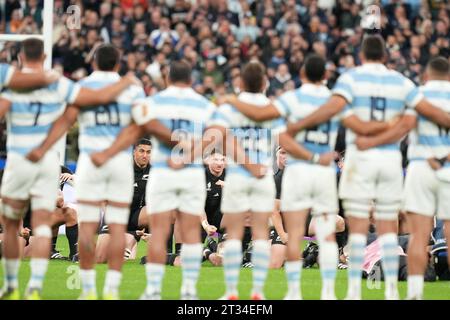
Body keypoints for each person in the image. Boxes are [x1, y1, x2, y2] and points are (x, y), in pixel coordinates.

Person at [24, 43, 171, 300]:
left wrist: (44, 147)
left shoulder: (83, 86)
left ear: (93, 62)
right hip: (118, 164)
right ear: (117, 63)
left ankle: (89, 289)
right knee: (116, 226)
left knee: (89, 224)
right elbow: (143, 125)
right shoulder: (131, 88)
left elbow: (66, 120)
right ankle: (112, 290)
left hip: (91, 163)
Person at [0, 38, 137, 300]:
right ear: (43, 58)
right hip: (52, 162)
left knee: (10, 224)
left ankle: (11, 285)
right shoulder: (61, 85)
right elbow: (98, 100)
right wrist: (124, 82)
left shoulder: (11, 83)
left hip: (19, 158)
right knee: (43, 226)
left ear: (19, 58)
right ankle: (37, 288)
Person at [91, 60, 218, 300]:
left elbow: (135, 129)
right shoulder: (203, 104)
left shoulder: (154, 102)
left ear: (167, 79)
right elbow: (217, 133)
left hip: (162, 172)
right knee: (191, 231)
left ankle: (153, 290)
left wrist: (109, 151)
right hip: (191, 173)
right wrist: (191, 153)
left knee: (159, 231)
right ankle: (189, 291)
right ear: (191, 80)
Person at [357, 56, 450, 299]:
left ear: (426, 76)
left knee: (419, 234)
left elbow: (402, 127)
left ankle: (415, 293)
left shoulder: (417, 94)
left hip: (421, 167)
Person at [209, 61, 288, 300]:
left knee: (233, 233)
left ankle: (232, 291)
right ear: (264, 83)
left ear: (240, 82)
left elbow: (219, 136)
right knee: (261, 232)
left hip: (238, 176)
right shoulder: (272, 107)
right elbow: (283, 137)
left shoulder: (230, 107)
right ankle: (258, 291)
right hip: (263, 175)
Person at [95, 138, 152, 263]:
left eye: (148, 152)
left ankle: (163, 252)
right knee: (100, 259)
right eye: (141, 151)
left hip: (135, 218)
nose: (145, 155)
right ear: (133, 152)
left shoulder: (155, 172)